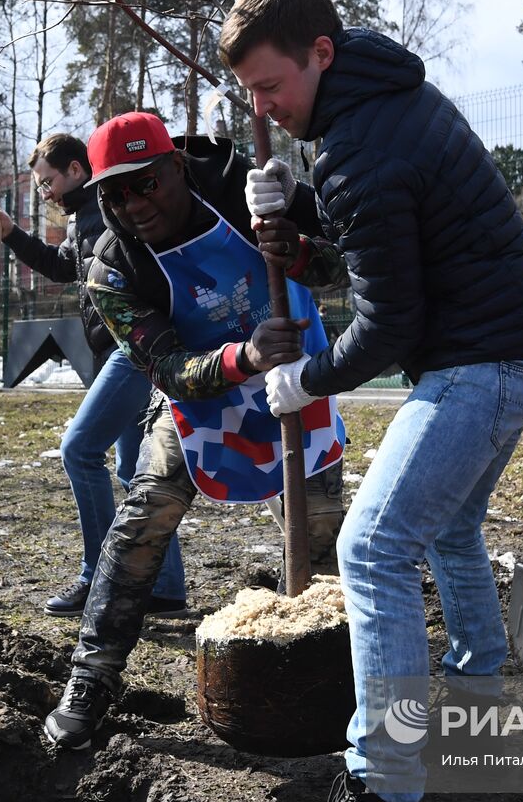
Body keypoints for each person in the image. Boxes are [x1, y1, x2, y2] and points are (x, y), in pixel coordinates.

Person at [220, 0, 523, 802]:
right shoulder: (384, 101)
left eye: (271, 88)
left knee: (372, 548)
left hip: (480, 359)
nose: (264, 107)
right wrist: (295, 216)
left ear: (319, 55)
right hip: (516, 348)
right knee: (445, 526)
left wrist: (306, 377)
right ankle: (476, 704)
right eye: (252, 94)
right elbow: (384, 244)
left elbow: (387, 328)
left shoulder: (360, 148)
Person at [42, 111, 346, 751]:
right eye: (115, 193)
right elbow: (170, 368)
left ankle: (331, 679)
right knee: (143, 515)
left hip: (296, 374)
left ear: (175, 167)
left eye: (146, 183)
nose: (134, 204)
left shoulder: (244, 186)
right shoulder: (114, 267)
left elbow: (342, 269)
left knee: (319, 526)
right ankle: (91, 676)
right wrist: (244, 358)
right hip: (206, 392)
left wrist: (296, 240)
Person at [0, 133, 186, 618]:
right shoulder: (86, 217)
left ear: (77, 170)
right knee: (137, 471)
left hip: (132, 346)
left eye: (48, 181)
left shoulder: (107, 209)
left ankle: (99, 573)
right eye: (39, 186)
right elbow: (63, 267)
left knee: (80, 450)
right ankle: (163, 586)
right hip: (120, 349)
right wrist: (14, 234)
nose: (45, 192)